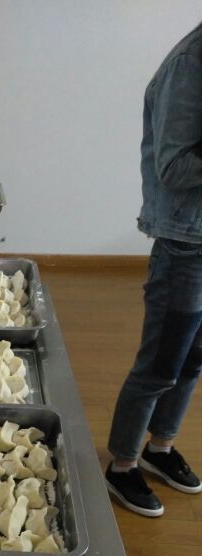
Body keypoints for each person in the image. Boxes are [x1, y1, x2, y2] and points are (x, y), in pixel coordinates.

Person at [106, 22, 202, 516]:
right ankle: (122, 465)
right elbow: (173, 168)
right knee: (161, 363)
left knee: (193, 358)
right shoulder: (189, 65)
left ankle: (159, 448)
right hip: (185, 242)